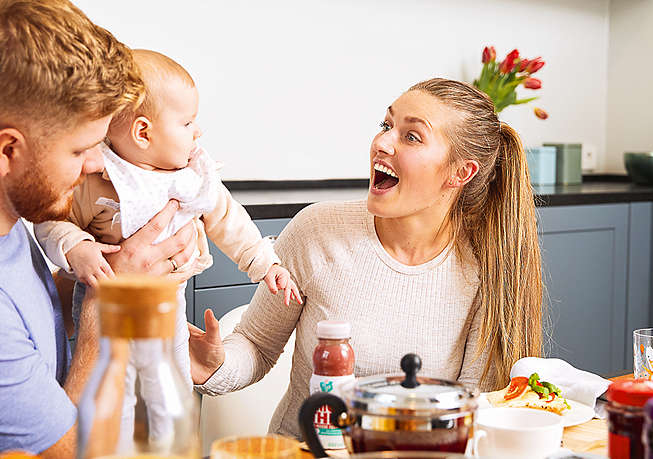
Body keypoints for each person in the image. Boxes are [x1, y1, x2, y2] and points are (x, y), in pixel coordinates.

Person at [0, 1, 197, 457]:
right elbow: (61, 455)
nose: (98, 164)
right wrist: (112, 303)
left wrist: (106, 273)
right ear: (8, 151)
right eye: (81, 150)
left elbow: (15, 320)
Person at [187, 78, 545, 439]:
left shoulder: (484, 268)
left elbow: (471, 411)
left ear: (460, 173)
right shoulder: (317, 231)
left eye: (412, 136)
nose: (382, 142)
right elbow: (256, 345)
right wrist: (214, 366)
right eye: (386, 125)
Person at [34, 49, 301, 445]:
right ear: (144, 133)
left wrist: (266, 264)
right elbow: (52, 222)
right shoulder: (100, 177)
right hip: (105, 309)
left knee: (171, 394)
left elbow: (229, 220)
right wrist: (77, 248)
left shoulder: (193, 176)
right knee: (114, 395)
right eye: (188, 122)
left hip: (169, 305)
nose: (198, 132)